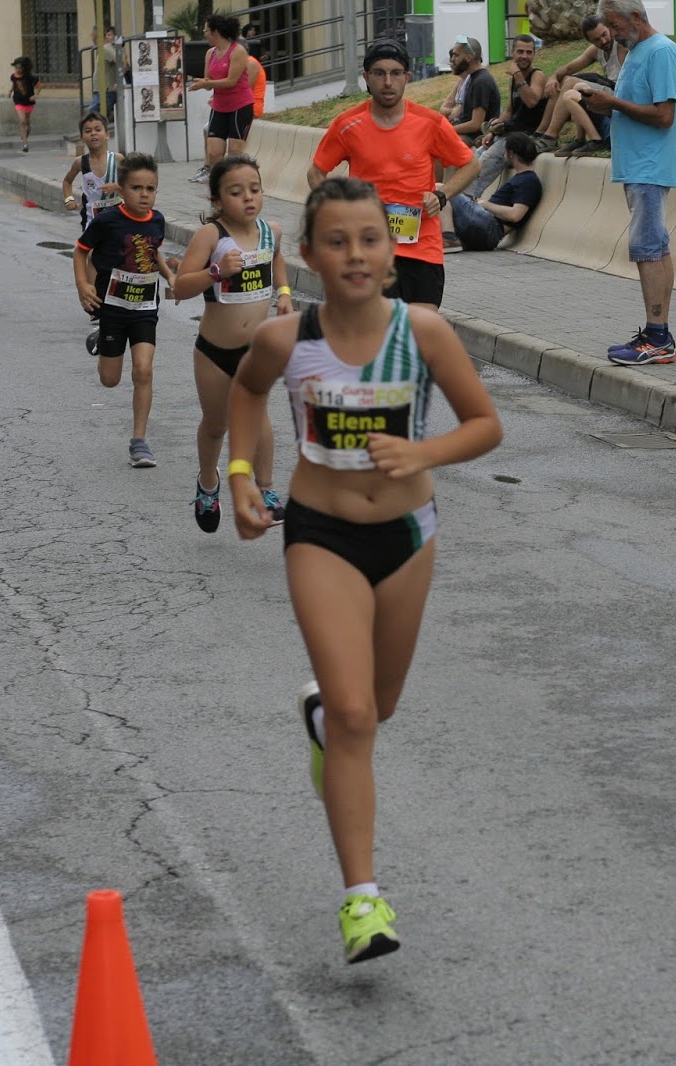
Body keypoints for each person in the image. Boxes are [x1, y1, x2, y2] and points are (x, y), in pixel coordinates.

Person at [224, 175, 502, 965]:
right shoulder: (285, 340)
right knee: (355, 716)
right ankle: (363, 900)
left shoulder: (425, 331)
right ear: (310, 255)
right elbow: (246, 394)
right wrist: (241, 476)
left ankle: (325, 722)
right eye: (337, 241)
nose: (354, 254)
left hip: (408, 535)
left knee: (376, 708)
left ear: (392, 253)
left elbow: (485, 425)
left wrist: (423, 452)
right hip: (321, 534)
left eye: (370, 239)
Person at [306, 39, 480, 310]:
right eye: (379, 73)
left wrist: (441, 195)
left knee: (421, 329)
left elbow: (471, 165)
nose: (388, 82)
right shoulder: (347, 124)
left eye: (395, 73)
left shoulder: (430, 123)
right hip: (368, 250)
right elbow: (316, 172)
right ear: (366, 77)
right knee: (377, 330)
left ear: (407, 77)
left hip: (422, 249)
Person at [173, 154, 293, 532]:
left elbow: (277, 260)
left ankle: (266, 490)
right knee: (216, 424)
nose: (248, 198)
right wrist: (216, 271)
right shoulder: (211, 236)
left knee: (259, 416)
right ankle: (208, 483)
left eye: (254, 189)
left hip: (255, 349)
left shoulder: (271, 231)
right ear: (217, 200)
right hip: (214, 352)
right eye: (236, 192)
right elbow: (180, 287)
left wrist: (284, 293)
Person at [578, 0, 676, 366]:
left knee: (647, 248)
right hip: (639, 166)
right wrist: (608, 104)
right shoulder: (638, 50)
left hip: (649, 167)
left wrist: (614, 103)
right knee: (656, 247)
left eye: (614, 25)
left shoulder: (660, 51)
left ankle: (657, 338)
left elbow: (665, 115)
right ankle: (659, 333)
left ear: (636, 17)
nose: (611, 33)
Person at [74, 153, 178, 468]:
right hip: (113, 308)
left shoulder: (157, 220)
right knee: (110, 380)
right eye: (136, 188)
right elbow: (80, 251)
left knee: (143, 371)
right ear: (121, 189)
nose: (144, 194)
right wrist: (83, 285)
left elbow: (153, 252)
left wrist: (170, 276)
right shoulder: (107, 221)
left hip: (145, 307)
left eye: (150, 188)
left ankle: (139, 442)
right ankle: (100, 339)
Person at [467, 36, 548, 200]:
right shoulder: (514, 79)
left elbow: (532, 101)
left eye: (528, 52)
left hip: (526, 135)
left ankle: (467, 198)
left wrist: (518, 76)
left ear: (535, 54)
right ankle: (462, 197)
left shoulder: (537, 75)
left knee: (487, 160)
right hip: (510, 132)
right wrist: (492, 131)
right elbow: (509, 111)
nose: (524, 56)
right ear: (512, 52)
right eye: (520, 52)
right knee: (475, 157)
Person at [536, 14, 627, 154]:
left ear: (609, 28)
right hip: (609, 90)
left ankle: (550, 136)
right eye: (596, 40)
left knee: (572, 83)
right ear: (590, 41)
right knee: (568, 82)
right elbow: (568, 68)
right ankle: (574, 138)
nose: (603, 41)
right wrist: (553, 77)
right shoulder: (596, 50)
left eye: (604, 34)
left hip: (621, 96)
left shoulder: (621, 45)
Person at [187, 15, 254, 182]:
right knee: (214, 152)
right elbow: (209, 82)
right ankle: (219, 183)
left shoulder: (237, 51)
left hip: (240, 106)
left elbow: (231, 81)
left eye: (206, 31)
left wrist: (206, 84)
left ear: (215, 32)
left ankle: (235, 183)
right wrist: (202, 83)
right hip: (219, 106)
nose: (204, 34)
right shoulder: (210, 53)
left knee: (234, 153)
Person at [450, 132, 543, 251]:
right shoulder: (522, 178)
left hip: (491, 228)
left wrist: (485, 204)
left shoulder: (528, 180)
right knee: (440, 196)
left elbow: (515, 215)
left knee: (443, 191)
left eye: (505, 152)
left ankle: (449, 238)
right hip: (486, 226)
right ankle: (445, 236)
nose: (503, 155)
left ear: (511, 153)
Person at [61, 110, 121, 230]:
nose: (93, 133)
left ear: (107, 134)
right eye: (88, 131)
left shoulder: (117, 159)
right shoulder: (80, 162)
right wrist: (69, 199)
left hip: (117, 218)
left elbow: (132, 183)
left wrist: (116, 187)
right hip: (91, 219)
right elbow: (67, 182)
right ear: (82, 137)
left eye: (98, 130)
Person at [445, 36, 499, 146]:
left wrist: (447, 130)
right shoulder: (473, 78)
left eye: (456, 55)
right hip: (463, 132)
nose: (452, 59)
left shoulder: (481, 82)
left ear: (469, 58)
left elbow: (476, 124)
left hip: (473, 137)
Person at [91, 26, 122, 118]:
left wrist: (118, 81)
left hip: (105, 91)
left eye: (93, 36)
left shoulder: (106, 48)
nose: (92, 39)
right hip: (102, 90)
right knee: (98, 117)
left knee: (92, 115)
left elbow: (121, 61)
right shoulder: (104, 48)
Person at [10, 56, 39, 152]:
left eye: (20, 68)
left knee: (28, 123)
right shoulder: (13, 76)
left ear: (24, 68)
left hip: (29, 101)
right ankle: (25, 144)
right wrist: (10, 91)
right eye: (16, 68)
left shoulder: (30, 77)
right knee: (22, 121)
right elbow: (14, 84)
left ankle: (24, 135)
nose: (18, 70)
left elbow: (39, 86)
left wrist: (36, 95)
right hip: (18, 100)